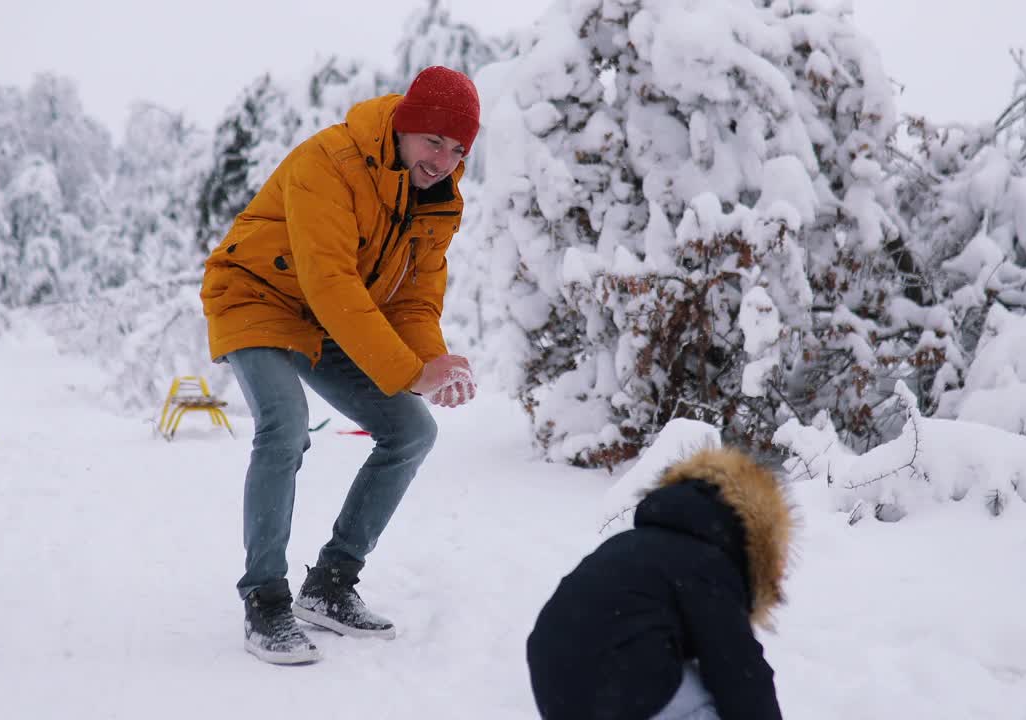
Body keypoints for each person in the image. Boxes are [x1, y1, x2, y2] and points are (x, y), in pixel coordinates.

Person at [199, 65, 481, 665]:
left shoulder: (436, 202)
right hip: (258, 296)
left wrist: (433, 362)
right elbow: (329, 281)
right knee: (284, 426)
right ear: (405, 127)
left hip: (330, 318)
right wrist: (409, 373)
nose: (443, 160)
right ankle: (265, 600)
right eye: (434, 141)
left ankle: (329, 584)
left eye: (458, 149)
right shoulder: (329, 161)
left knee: (412, 430)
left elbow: (413, 299)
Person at [526, 447, 794, 719]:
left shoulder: (635, 545)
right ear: (757, 542)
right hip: (616, 684)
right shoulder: (707, 565)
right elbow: (738, 671)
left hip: (554, 683)